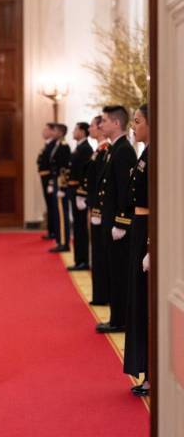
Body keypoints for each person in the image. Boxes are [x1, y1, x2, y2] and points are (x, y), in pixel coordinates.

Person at [94, 105, 136, 333]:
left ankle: (119, 320)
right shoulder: (114, 149)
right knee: (114, 271)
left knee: (119, 273)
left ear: (117, 123)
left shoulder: (123, 151)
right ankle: (116, 316)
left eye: (105, 121)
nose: (101, 125)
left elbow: (125, 191)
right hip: (110, 223)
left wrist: (121, 222)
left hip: (118, 226)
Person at [124, 104, 150, 396]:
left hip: (147, 230)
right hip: (138, 226)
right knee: (139, 300)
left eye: (139, 121)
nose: (134, 126)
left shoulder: (155, 155)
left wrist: (152, 246)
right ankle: (144, 369)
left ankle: (152, 373)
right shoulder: (144, 154)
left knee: (147, 304)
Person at [67, 122, 94, 270]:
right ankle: (79, 260)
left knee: (80, 227)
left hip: (79, 192)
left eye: (76, 129)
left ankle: (82, 260)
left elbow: (84, 174)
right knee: (77, 227)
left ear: (82, 132)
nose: (73, 131)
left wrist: (81, 193)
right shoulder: (79, 148)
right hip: (73, 190)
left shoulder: (85, 149)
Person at [48, 123, 71, 252]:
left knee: (62, 214)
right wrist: (52, 183)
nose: (53, 133)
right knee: (58, 213)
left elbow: (64, 168)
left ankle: (64, 242)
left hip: (61, 182)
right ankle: (59, 240)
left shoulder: (64, 146)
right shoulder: (57, 145)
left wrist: (62, 188)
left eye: (55, 131)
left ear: (61, 133)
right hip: (56, 181)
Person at [37, 123, 57, 240]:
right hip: (44, 176)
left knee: (52, 205)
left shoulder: (53, 145)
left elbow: (53, 165)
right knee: (49, 205)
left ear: (51, 131)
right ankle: (51, 230)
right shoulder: (48, 145)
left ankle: (53, 231)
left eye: (46, 129)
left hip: (49, 178)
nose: (43, 132)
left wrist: (50, 182)